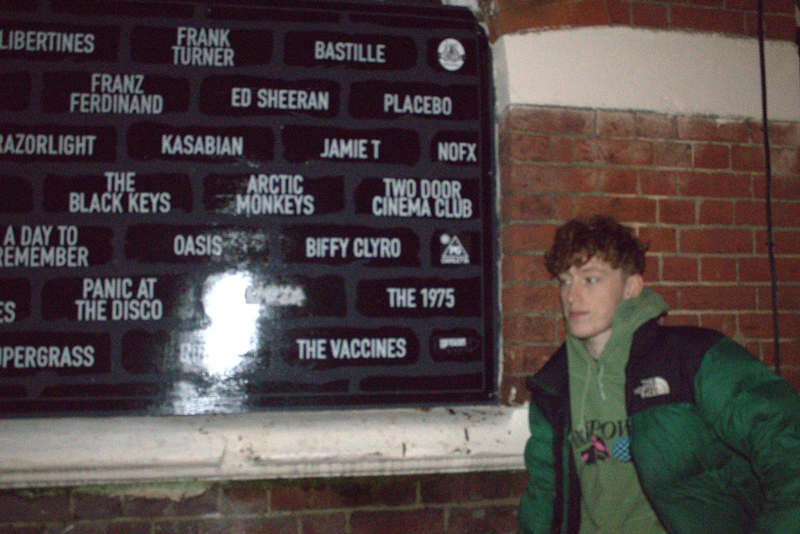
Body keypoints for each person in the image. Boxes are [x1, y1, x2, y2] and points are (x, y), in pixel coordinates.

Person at [518, 214, 800, 534]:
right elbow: (544, 495)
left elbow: (786, 441)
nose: (571, 296)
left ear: (631, 287)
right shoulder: (553, 387)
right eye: (565, 280)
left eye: (590, 279)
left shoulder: (691, 358)